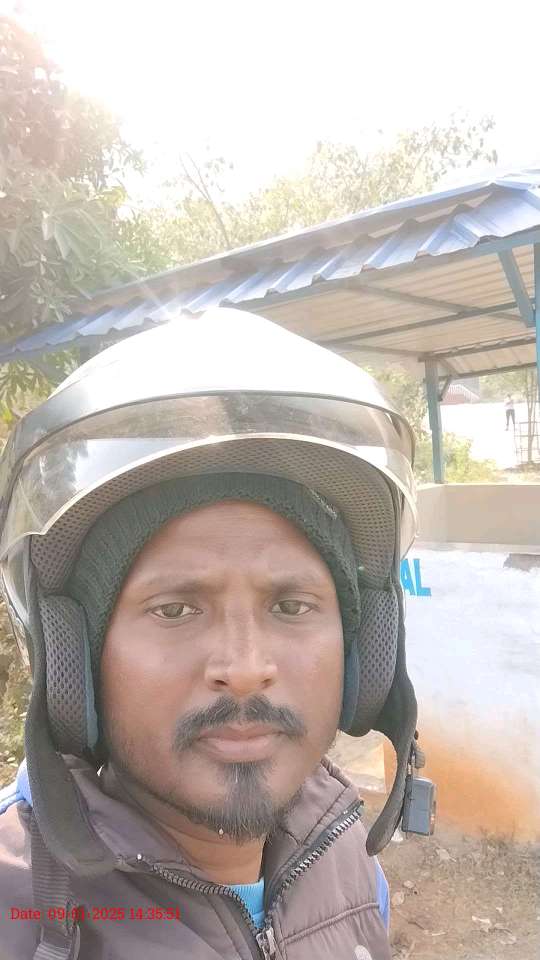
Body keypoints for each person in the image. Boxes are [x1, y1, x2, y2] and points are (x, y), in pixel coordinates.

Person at [0, 307, 428, 960]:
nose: (246, 669)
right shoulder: (16, 910)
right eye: (175, 610)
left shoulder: (351, 868)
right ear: (75, 659)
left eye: (292, 605)